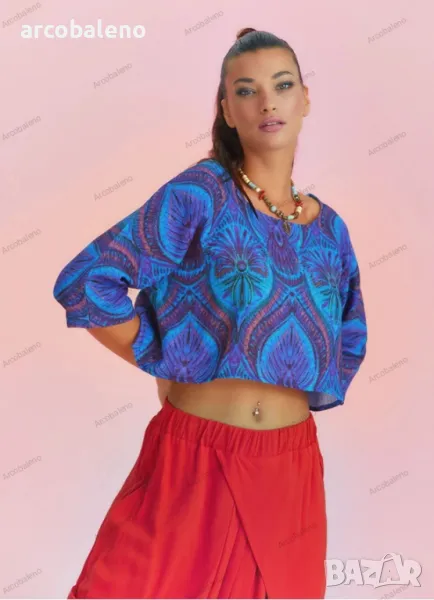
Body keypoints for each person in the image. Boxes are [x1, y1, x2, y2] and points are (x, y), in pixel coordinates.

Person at [53, 27, 367, 599]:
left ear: (305, 99)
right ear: (226, 110)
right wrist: (166, 359)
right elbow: (88, 281)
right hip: (193, 461)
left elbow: (347, 341)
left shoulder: (331, 231)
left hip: (291, 475)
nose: (267, 102)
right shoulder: (202, 193)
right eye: (246, 90)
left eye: (282, 85)